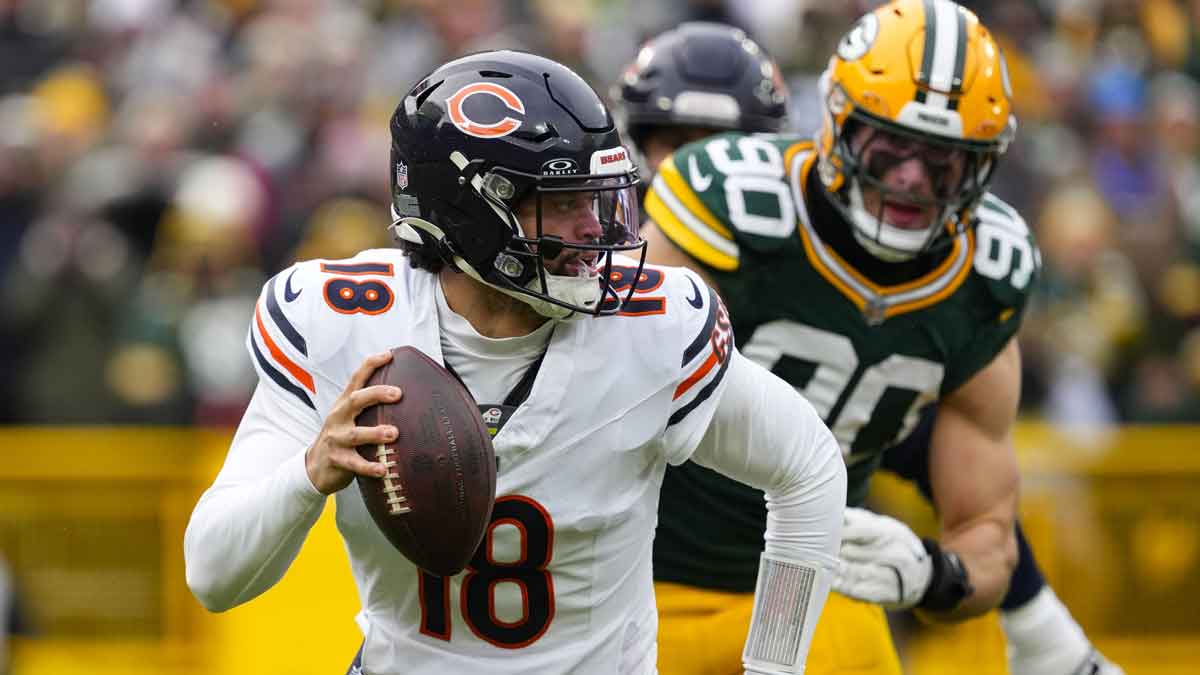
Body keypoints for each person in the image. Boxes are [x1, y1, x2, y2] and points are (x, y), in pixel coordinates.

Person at [184, 50, 846, 675]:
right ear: (468, 214)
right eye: (562, 203)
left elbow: (807, 467)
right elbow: (212, 574)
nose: (596, 230)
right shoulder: (342, 322)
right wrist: (309, 475)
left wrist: (774, 665)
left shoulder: (652, 328)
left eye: (597, 199)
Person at [630, 3, 1123, 674]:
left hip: (798, 592)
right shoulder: (732, 210)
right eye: (890, 146)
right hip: (639, 580)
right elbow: (622, 383)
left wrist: (933, 576)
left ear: (982, 164)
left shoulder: (984, 275)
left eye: (943, 159)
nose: (911, 178)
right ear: (838, 123)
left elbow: (985, 531)